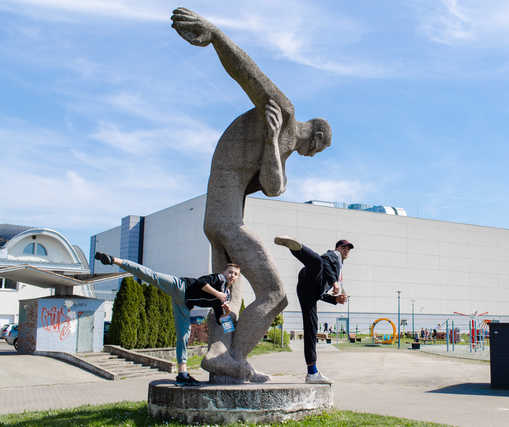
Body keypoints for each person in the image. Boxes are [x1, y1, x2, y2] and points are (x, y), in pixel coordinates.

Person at [170, 8, 332, 381]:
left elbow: (275, 186)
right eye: (317, 151)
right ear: (318, 138)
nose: (312, 156)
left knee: (229, 295)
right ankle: (235, 356)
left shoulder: (282, 140)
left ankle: (223, 361)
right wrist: (215, 35)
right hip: (225, 220)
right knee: (275, 294)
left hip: (221, 219)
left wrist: (273, 143)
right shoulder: (285, 114)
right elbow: (247, 73)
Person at [94, 252, 240, 386]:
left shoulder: (226, 295)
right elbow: (200, 282)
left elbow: (223, 323)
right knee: (152, 276)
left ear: (237, 278)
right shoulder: (219, 279)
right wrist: (217, 294)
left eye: (235, 274)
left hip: (184, 305)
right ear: (224, 273)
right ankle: (114, 260)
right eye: (230, 272)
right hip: (180, 286)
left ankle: (182, 374)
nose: (232, 275)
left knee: (183, 336)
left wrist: (226, 313)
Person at [274, 236, 353, 383]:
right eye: (344, 247)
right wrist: (334, 282)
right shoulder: (333, 255)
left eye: (349, 249)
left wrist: (335, 299)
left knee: (311, 327)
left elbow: (320, 294)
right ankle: (296, 248)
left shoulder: (339, 268)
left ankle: (312, 372)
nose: (346, 250)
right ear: (338, 249)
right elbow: (325, 262)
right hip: (310, 278)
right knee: (317, 262)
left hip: (309, 291)